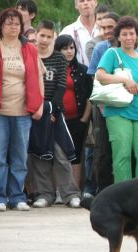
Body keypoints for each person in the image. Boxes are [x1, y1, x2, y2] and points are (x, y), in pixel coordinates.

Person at [95, 16, 138, 182]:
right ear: (118, 36)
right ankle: (123, 197)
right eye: (125, 34)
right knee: (122, 155)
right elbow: (100, 75)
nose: (129, 37)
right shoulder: (112, 53)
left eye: (132, 33)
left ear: (137, 36)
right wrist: (124, 80)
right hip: (117, 112)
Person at [29, 20, 81, 209]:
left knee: (61, 154)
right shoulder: (30, 55)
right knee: (39, 153)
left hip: (54, 112)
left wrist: (53, 110)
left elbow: (60, 86)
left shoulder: (59, 58)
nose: (44, 40)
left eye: (49, 37)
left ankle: (70, 194)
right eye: (42, 35)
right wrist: (38, 109)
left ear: (53, 38)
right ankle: (45, 194)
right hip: (35, 112)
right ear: (36, 35)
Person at [0, 8, 44, 212]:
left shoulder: (29, 49)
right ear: (1, 26)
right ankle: (0, 197)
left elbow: (39, 77)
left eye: (17, 23)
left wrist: (40, 104)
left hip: (24, 112)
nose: (13, 27)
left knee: (19, 157)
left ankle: (17, 196)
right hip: (0, 111)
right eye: (9, 23)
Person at [54, 34, 93, 188]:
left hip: (77, 119)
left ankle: (74, 190)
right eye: (65, 48)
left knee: (76, 154)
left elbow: (90, 96)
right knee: (57, 154)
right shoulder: (52, 68)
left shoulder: (83, 70)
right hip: (57, 118)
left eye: (71, 48)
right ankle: (59, 191)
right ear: (58, 50)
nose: (69, 51)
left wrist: (84, 118)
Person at [87, 12, 119, 195]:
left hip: (127, 106)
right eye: (103, 27)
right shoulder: (101, 48)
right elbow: (94, 77)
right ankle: (103, 190)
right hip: (103, 106)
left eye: (110, 27)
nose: (107, 31)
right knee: (102, 150)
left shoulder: (132, 48)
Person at [60, 0, 100, 66]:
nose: (85, 3)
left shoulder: (105, 29)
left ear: (96, 2)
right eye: (81, 1)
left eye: (89, 0)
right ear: (76, 5)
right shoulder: (67, 31)